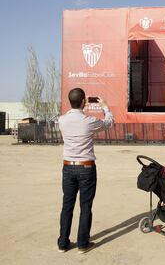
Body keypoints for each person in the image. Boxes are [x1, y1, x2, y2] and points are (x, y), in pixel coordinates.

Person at [57, 88, 114, 254]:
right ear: (83, 102)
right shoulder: (89, 121)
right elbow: (109, 123)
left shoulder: (62, 120)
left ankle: (63, 243)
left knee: (67, 205)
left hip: (68, 167)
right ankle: (83, 243)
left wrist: (80, 104)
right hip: (86, 167)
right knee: (85, 205)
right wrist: (105, 106)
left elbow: (73, 113)